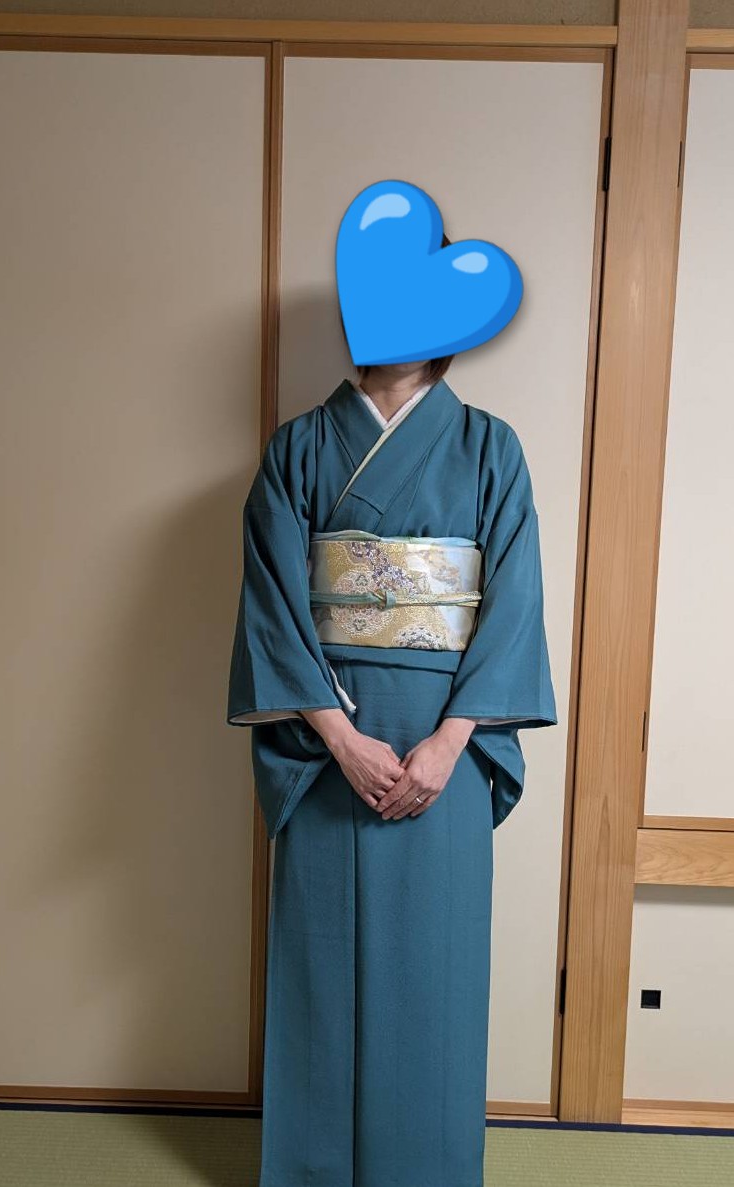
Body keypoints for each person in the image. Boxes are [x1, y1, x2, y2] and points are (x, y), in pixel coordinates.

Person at [226, 354, 557, 1187]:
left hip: (446, 739)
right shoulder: (298, 447)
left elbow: (513, 600)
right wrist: (340, 739)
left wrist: (449, 742)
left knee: (434, 967)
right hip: (326, 738)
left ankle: (428, 1168)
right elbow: (272, 605)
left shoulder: (489, 446)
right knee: (321, 965)